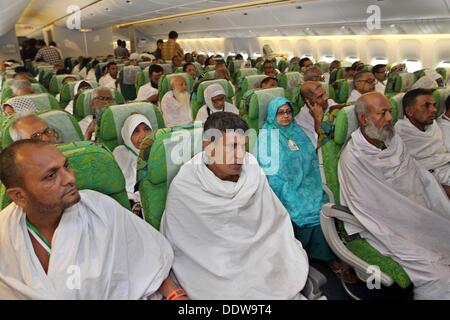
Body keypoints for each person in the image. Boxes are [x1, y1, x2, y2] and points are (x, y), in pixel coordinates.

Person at [0, 140, 190, 300]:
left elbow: (151, 263)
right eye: (51, 176)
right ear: (19, 196)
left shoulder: (101, 208)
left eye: (66, 166)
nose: (69, 178)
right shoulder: (4, 235)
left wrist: (177, 296)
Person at [161, 112, 309, 299]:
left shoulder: (252, 168)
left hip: (262, 257)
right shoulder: (185, 186)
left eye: (243, 146)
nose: (240, 155)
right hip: (213, 269)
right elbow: (188, 246)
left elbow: (273, 223)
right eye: (232, 147)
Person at [339, 92, 450, 299]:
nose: (390, 118)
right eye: (383, 113)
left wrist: (430, 199)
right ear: (364, 119)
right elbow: (369, 206)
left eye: (390, 111)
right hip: (387, 224)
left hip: (416, 211)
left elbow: (415, 177)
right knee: (439, 274)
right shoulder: (353, 158)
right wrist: (408, 215)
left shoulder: (393, 139)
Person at [257, 97, 355, 281]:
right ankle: (323, 257)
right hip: (284, 186)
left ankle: (334, 249)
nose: (286, 116)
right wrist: (289, 190)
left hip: (308, 180)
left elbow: (310, 158)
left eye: (288, 112)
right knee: (307, 209)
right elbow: (271, 174)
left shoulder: (296, 130)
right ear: (272, 115)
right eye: (281, 113)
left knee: (327, 199)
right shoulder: (267, 136)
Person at [394, 88, 450, 197]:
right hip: (430, 179)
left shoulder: (432, 125)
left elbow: (439, 154)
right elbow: (407, 173)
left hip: (444, 167)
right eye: (426, 105)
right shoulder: (400, 133)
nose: (433, 109)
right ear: (409, 111)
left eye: (434, 105)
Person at [113, 114, 152, 203]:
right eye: (135, 131)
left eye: (146, 129)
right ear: (128, 134)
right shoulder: (121, 153)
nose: (143, 135)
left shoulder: (158, 149)